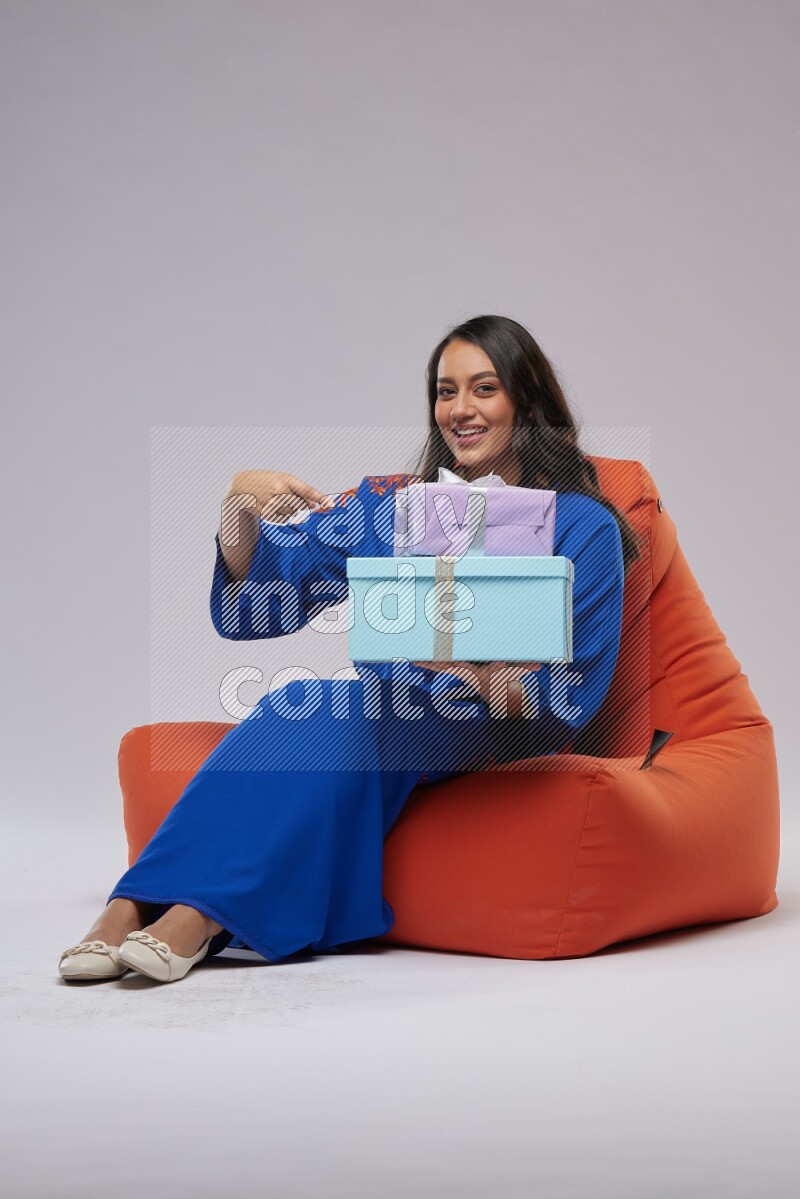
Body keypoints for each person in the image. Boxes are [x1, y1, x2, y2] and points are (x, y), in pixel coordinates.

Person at [58, 314, 641, 984]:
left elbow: (570, 698)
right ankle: (130, 905)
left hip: (491, 728)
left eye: (484, 388)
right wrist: (236, 511)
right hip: (381, 711)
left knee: (323, 702)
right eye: (445, 391)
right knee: (304, 702)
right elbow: (264, 592)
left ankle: (194, 916)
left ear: (525, 402)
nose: (460, 409)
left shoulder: (584, 525)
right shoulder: (395, 508)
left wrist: (472, 670)